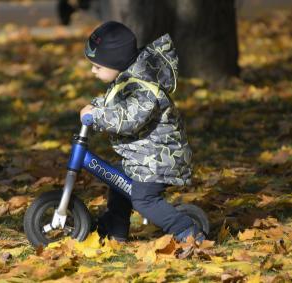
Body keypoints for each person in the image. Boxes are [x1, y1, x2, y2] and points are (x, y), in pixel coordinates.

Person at [80, 21, 205, 243]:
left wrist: (97, 116)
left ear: (115, 62)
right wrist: (96, 106)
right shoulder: (128, 79)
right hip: (144, 157)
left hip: (161, 159)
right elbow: (117, 103)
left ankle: (187, 231)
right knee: (118, 179)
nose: (92, 71)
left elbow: (128, 118)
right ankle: (116, 229)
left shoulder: (144, 87)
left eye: (97, 66)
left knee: (143, 200)